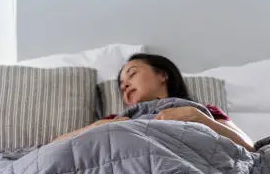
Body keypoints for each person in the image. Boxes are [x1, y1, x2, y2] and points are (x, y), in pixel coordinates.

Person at [55, 53, 255, 151]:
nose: (125, 86)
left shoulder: (204, 111)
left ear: (162, 75)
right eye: (121, 85)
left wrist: (201, 119)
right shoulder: (115, 119)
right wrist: (98, 127)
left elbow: (249, 148)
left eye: (132, 74)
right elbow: (54, 147)